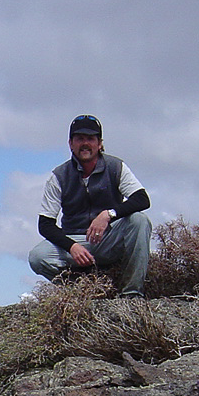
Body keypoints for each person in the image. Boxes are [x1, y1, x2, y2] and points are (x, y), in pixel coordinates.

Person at [27, 114, 152, 297]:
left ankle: (131, 295)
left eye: (90, 139)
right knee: (37, 257)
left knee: (140, 221)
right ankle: (83, 293)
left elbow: (142, 199)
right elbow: (45, 225)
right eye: (79, 139)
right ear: (70, 143)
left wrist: (108, 214)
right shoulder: (58, 176)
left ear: (99, 143)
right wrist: (72, 246)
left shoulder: (116, 167)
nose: (85, 144)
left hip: (109, 239)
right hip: (76, 241)